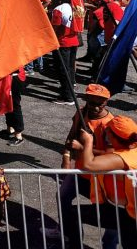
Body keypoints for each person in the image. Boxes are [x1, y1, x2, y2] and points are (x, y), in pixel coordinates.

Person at [59, 84, 116, 248]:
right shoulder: (81, 113)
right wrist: (66, 158)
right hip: (80, 172)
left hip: (102, 178)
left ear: (106, 102)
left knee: (113, 216)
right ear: (86, 100)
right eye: (92, 103)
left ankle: (109, 245)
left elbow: (111, 156)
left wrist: (83, 147)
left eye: (100, 104)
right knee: (62, 198)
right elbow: (71, 137)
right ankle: (70, 235)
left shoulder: (110, 124)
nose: (96, 107)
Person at [78, 115, 137, 247]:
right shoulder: (130, 150)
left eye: (108, 131)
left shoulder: (123, 157)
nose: (106, 133)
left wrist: (88, 141)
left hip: (130, 216)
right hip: (126, 210)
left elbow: (89, 165)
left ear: (113, 137)